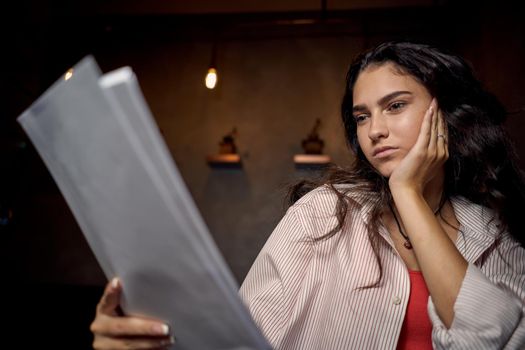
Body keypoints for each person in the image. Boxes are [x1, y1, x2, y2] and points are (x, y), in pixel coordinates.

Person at [90, 41, 525, 349]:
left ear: (444, 114)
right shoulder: (324, 211)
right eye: (361, 116)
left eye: (395, 106)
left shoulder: (494, 233)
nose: (374, 130)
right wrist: (155, 341)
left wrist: (407, 193)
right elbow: (243, 336)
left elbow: (490, 335)